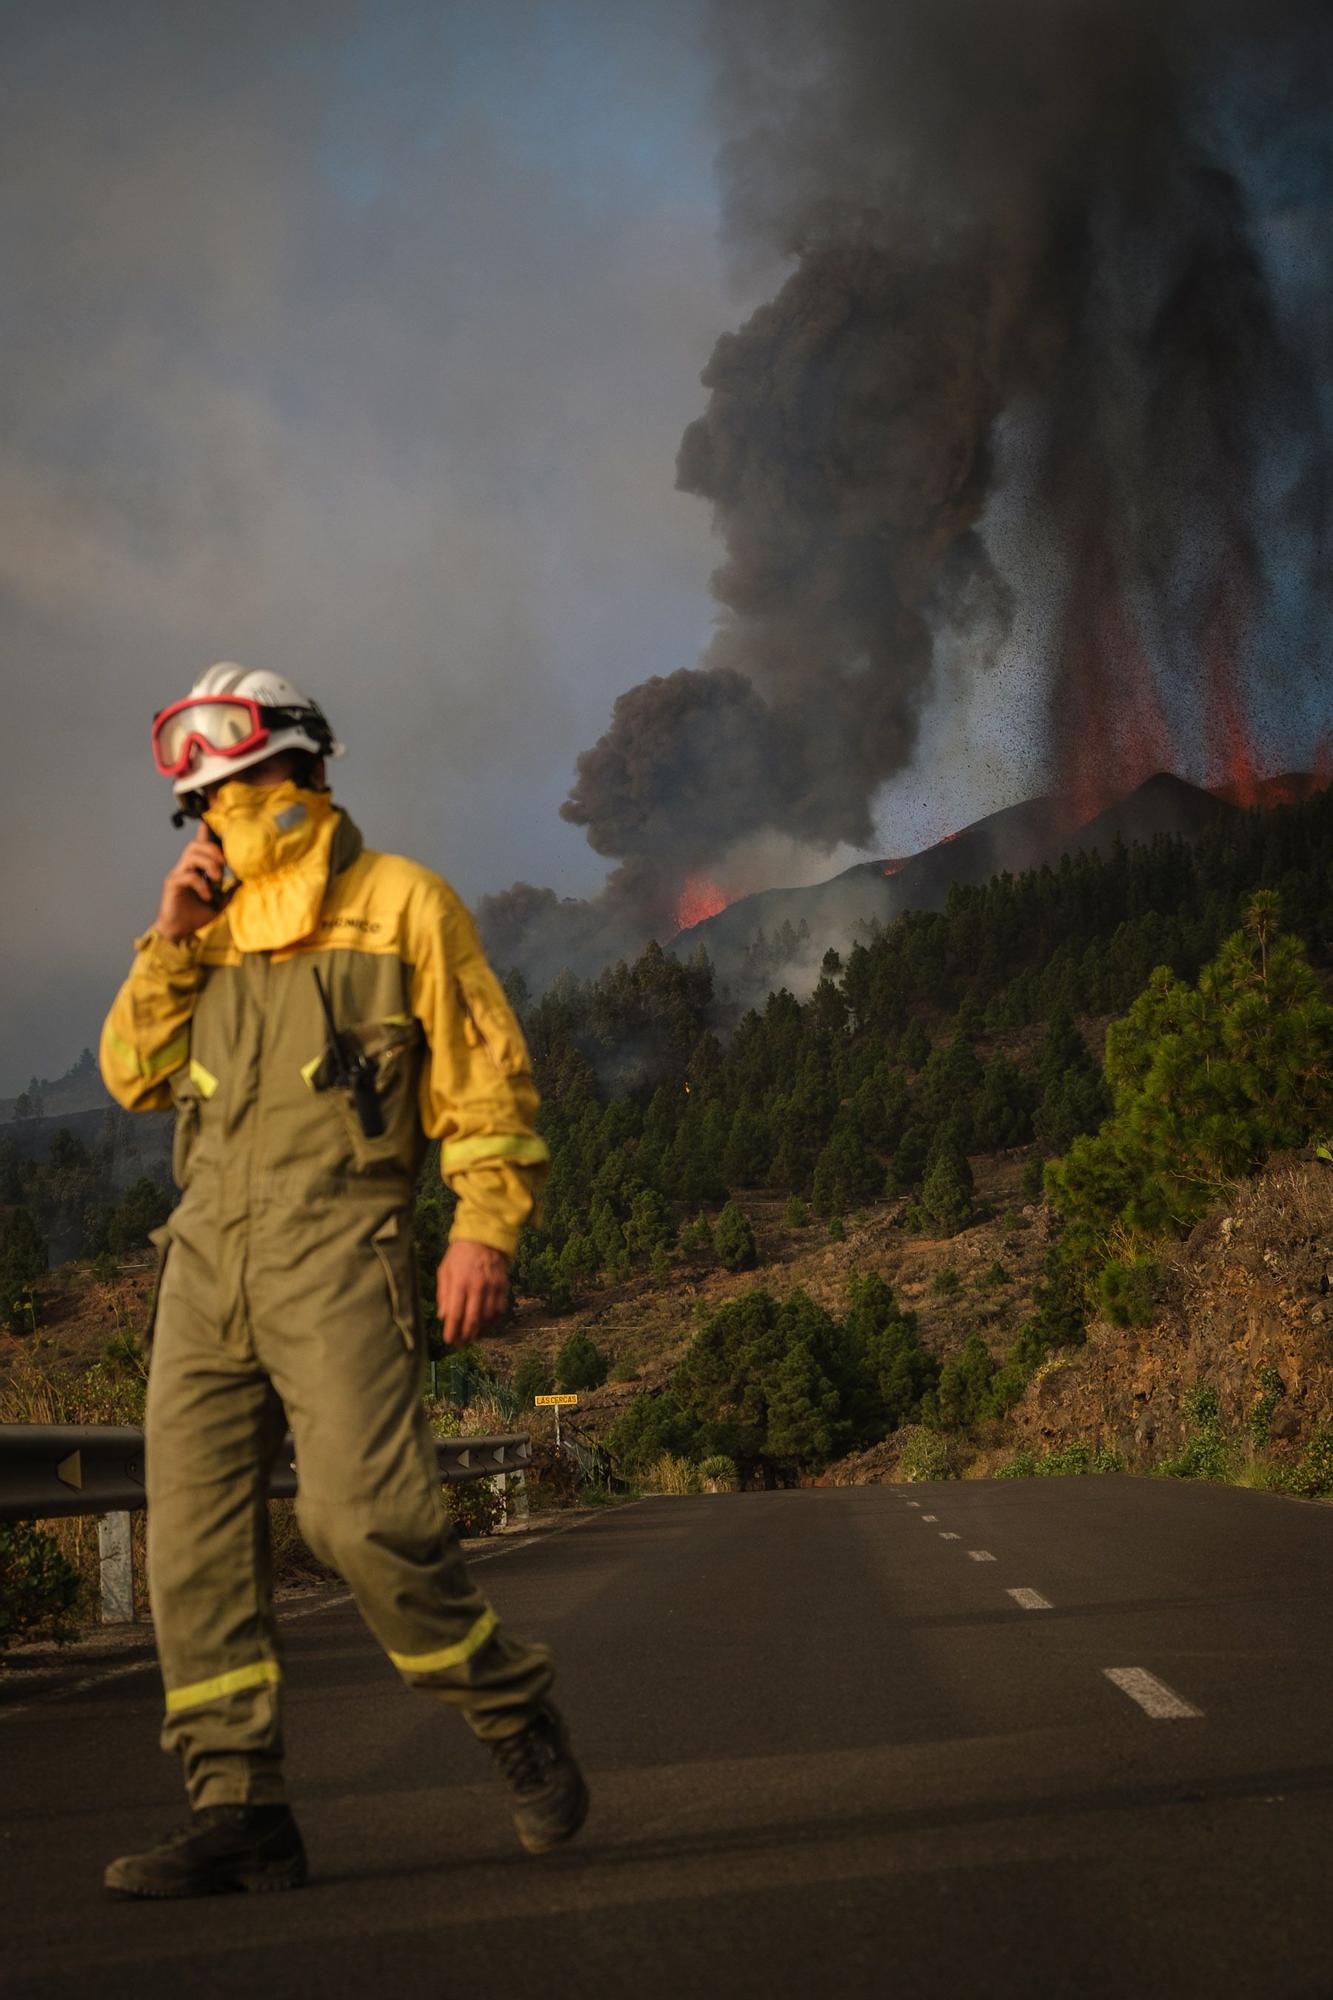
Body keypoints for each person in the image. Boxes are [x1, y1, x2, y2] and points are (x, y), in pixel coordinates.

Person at [99, 662, 586, 1898]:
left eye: (237, 791)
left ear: (303, 774)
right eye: (201, 807)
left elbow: (488, 1088)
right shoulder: (198, 933)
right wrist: (169, 942)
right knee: (192, 1548)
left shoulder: (403, 905)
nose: (221, 821)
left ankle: (507, 1707)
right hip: (205, 1264)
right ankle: (240, 1807)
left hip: (342, 1251)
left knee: (362, 1518)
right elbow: (130, 1075)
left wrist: (483, 1228)